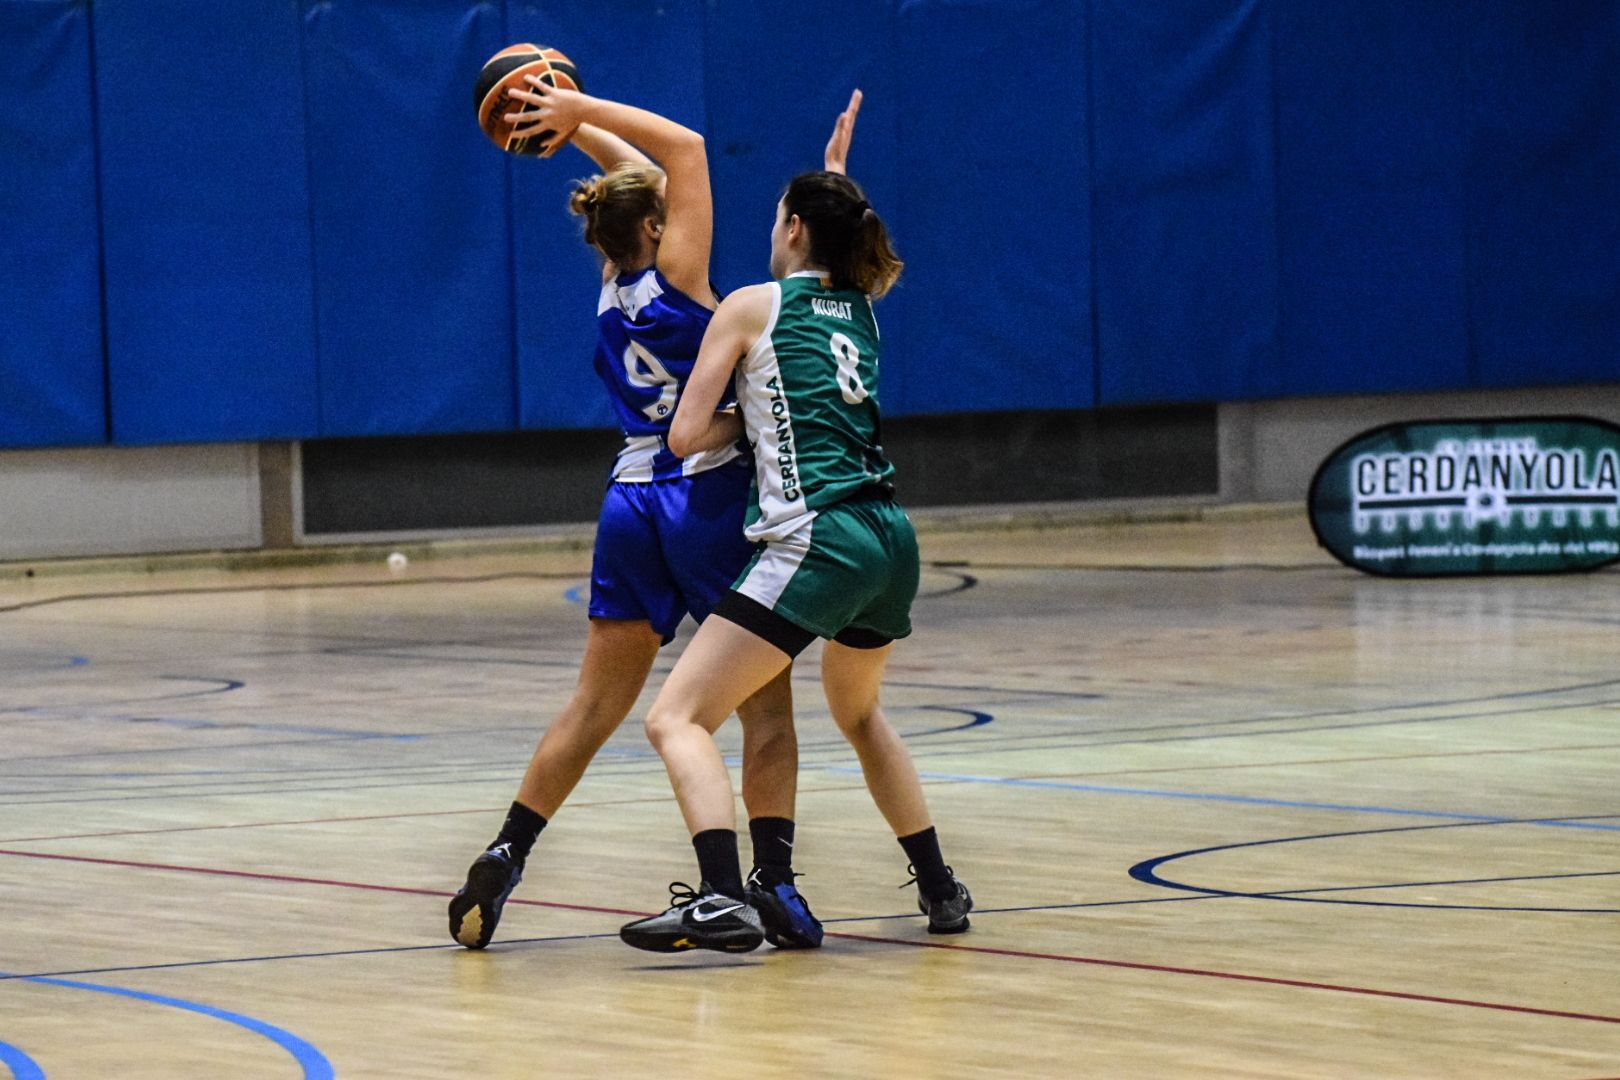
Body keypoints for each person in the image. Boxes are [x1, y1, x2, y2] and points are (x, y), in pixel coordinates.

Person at [446, 82, 858, 952]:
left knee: (593, 706)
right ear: (656, 230)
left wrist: (563, 128)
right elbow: (686, 150)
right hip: (706, 498)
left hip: (629, 503)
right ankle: (770, 885)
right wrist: (580, 105)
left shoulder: (614, 276)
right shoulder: (681, 275)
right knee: (764, 708)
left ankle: (505, 851)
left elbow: (634, 176)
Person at [614, 94, 973, 954]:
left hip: (818, 538)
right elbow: (835, 248)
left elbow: (685, 435)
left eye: (779, 218)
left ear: (798, 230)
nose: (769, 231)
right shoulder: (862, 308)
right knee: (860, 715)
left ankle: (719, 895)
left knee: (677, 718)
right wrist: (837, 171)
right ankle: (938, 885)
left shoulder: (749, 306)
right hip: (891, 538)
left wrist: (748, 416)